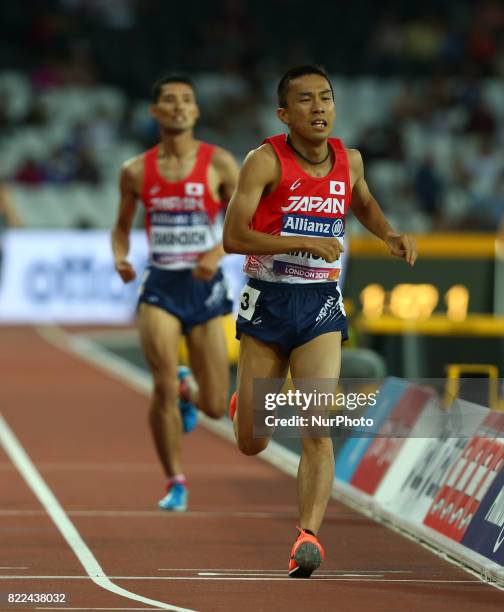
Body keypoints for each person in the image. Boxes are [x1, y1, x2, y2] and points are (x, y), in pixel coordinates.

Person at [223, 65, 417, 577]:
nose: (319, 108)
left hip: (320, 307)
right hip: (267, 302)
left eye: (326, 98)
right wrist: (299, 241)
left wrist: (388, 234)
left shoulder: (349, 160)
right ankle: (247, 402)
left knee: (316, 427)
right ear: (284, 114)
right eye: (305, 101)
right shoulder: (263, 161)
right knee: (252, 441)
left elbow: (365, 203)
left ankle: (307, 537)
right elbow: (233, 237)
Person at [112, 74, 239, 511]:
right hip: (161, 285)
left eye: (187, 99)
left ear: (197, 111)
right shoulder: (134, 170)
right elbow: (120, 226)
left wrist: (218, 251)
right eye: (169, 100)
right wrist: (121, 257)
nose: (179, 106)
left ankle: (191, 390)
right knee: (161, 386)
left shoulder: (220, 164)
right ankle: (176, 482)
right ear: (156, 111)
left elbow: (250, 220)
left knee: (217, 407)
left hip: (204, 288)